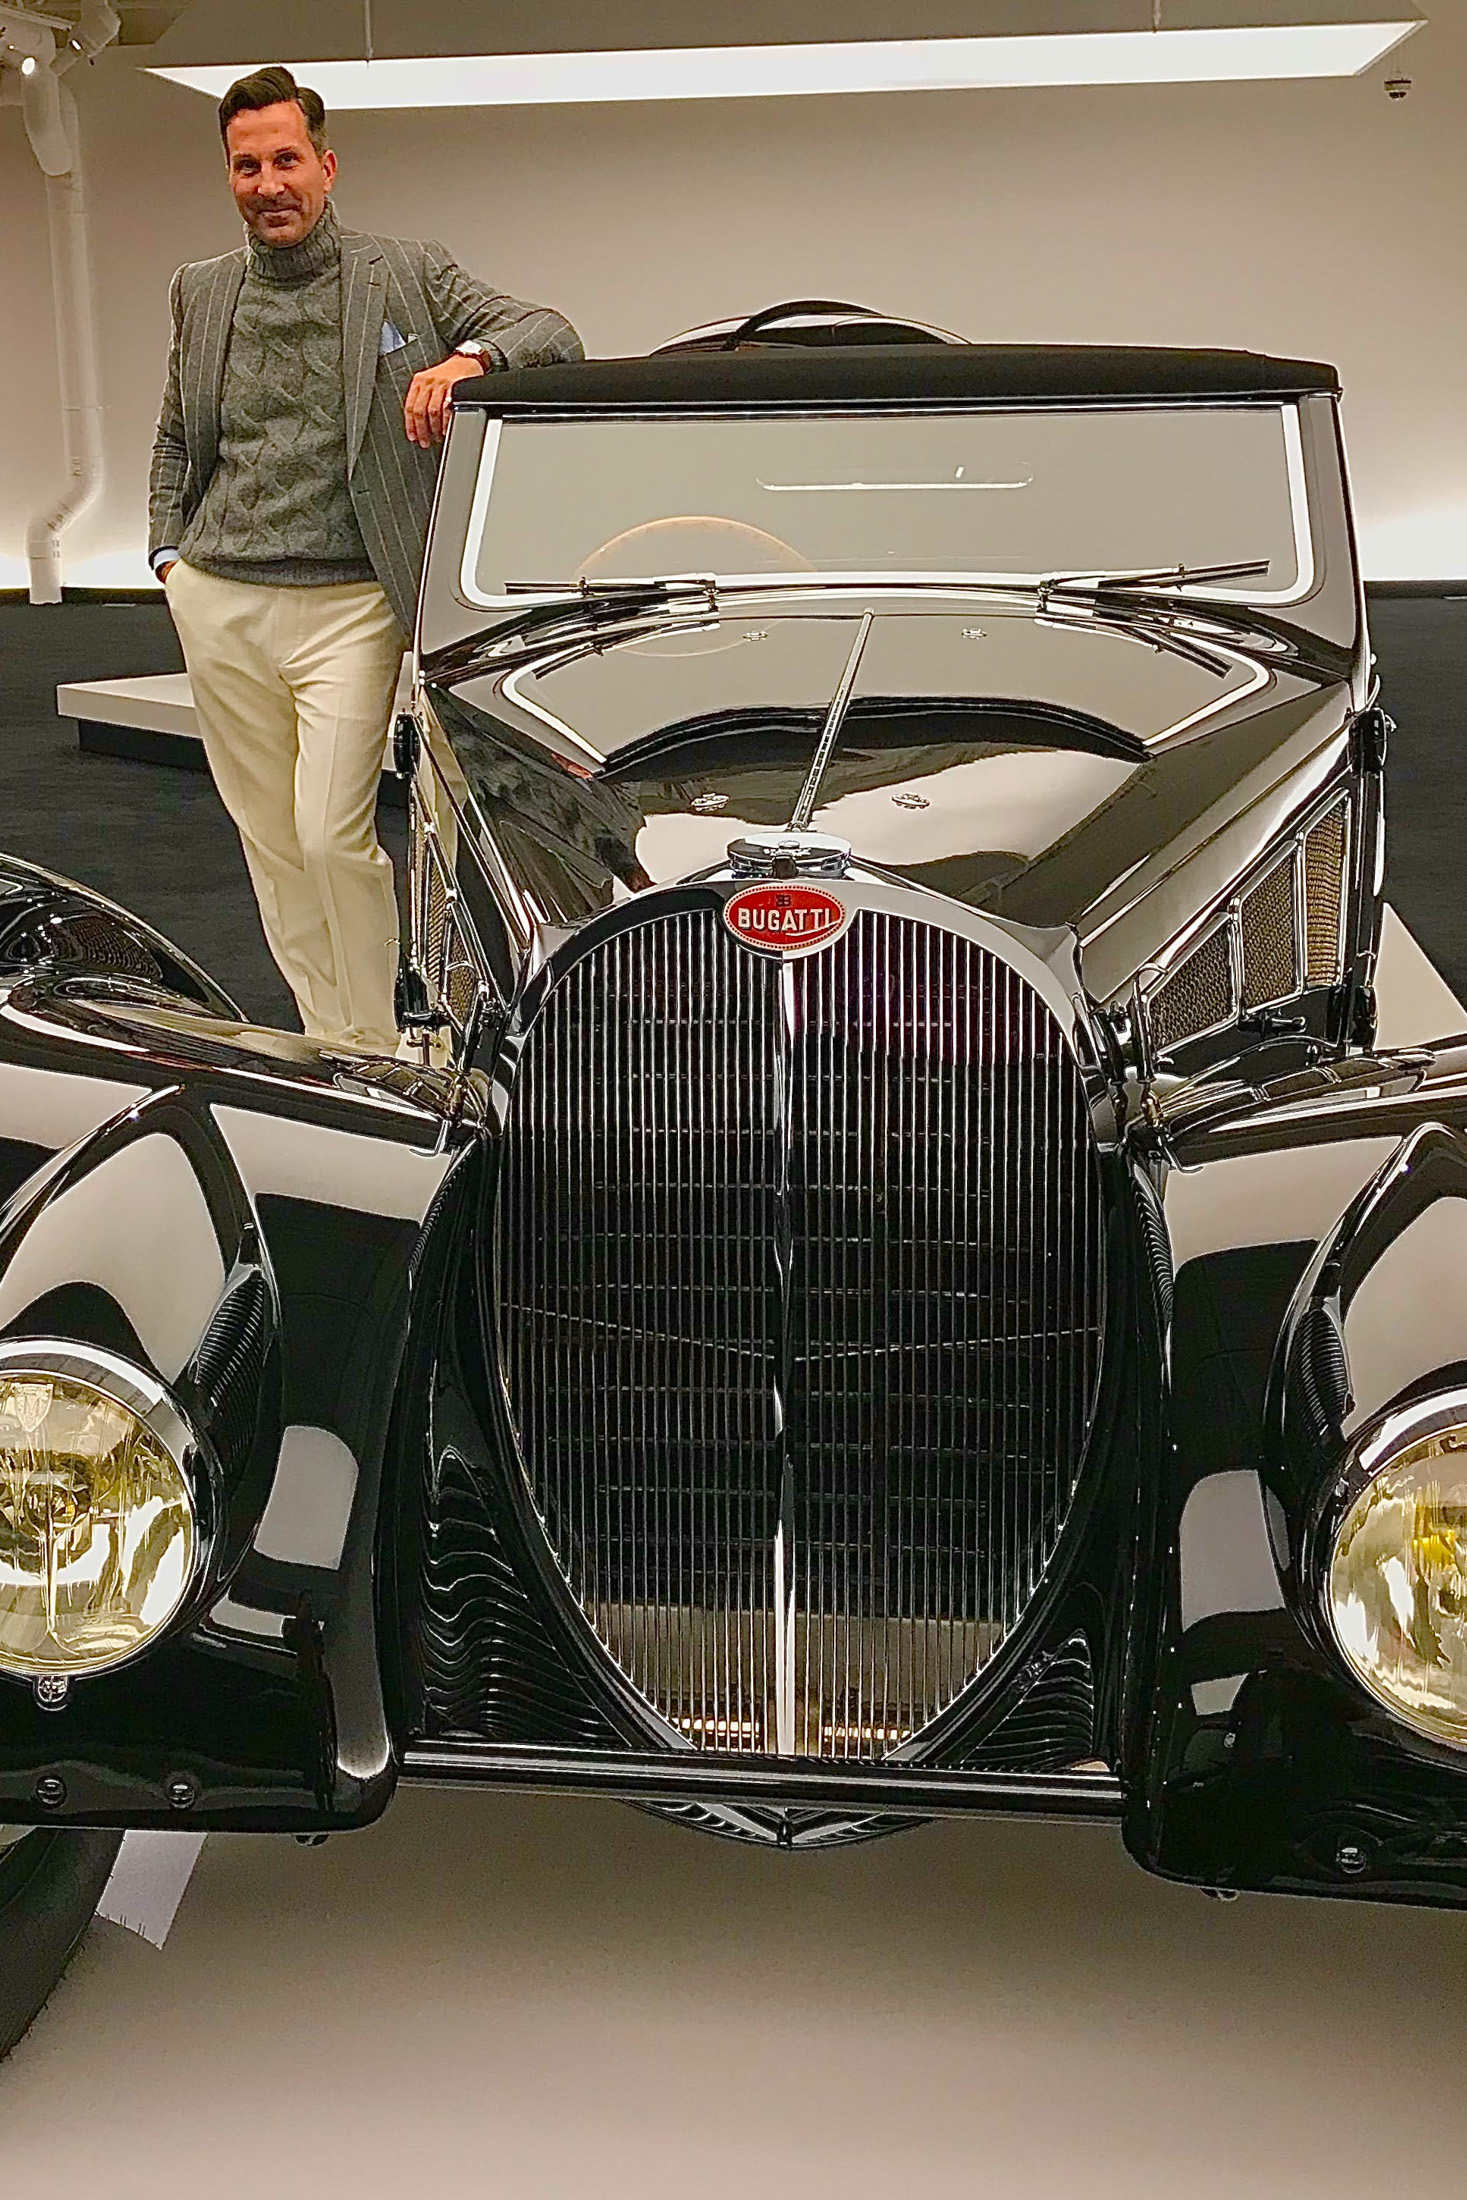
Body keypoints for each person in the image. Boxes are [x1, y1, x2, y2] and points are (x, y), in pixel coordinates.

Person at [149, 65, 582, 1054]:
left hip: (350, 602)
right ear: (230, 177)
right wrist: (169, 556)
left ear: (327, 166)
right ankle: (323, 1035)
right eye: (246, 165)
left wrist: (467, 361)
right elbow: (178, 437)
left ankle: (375, 1045)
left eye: (286, 159)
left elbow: (551, 331)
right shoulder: (201, 291)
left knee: (328, 834)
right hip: (219, 596)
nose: (269, 182)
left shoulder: (404, 273)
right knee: (270, 848)